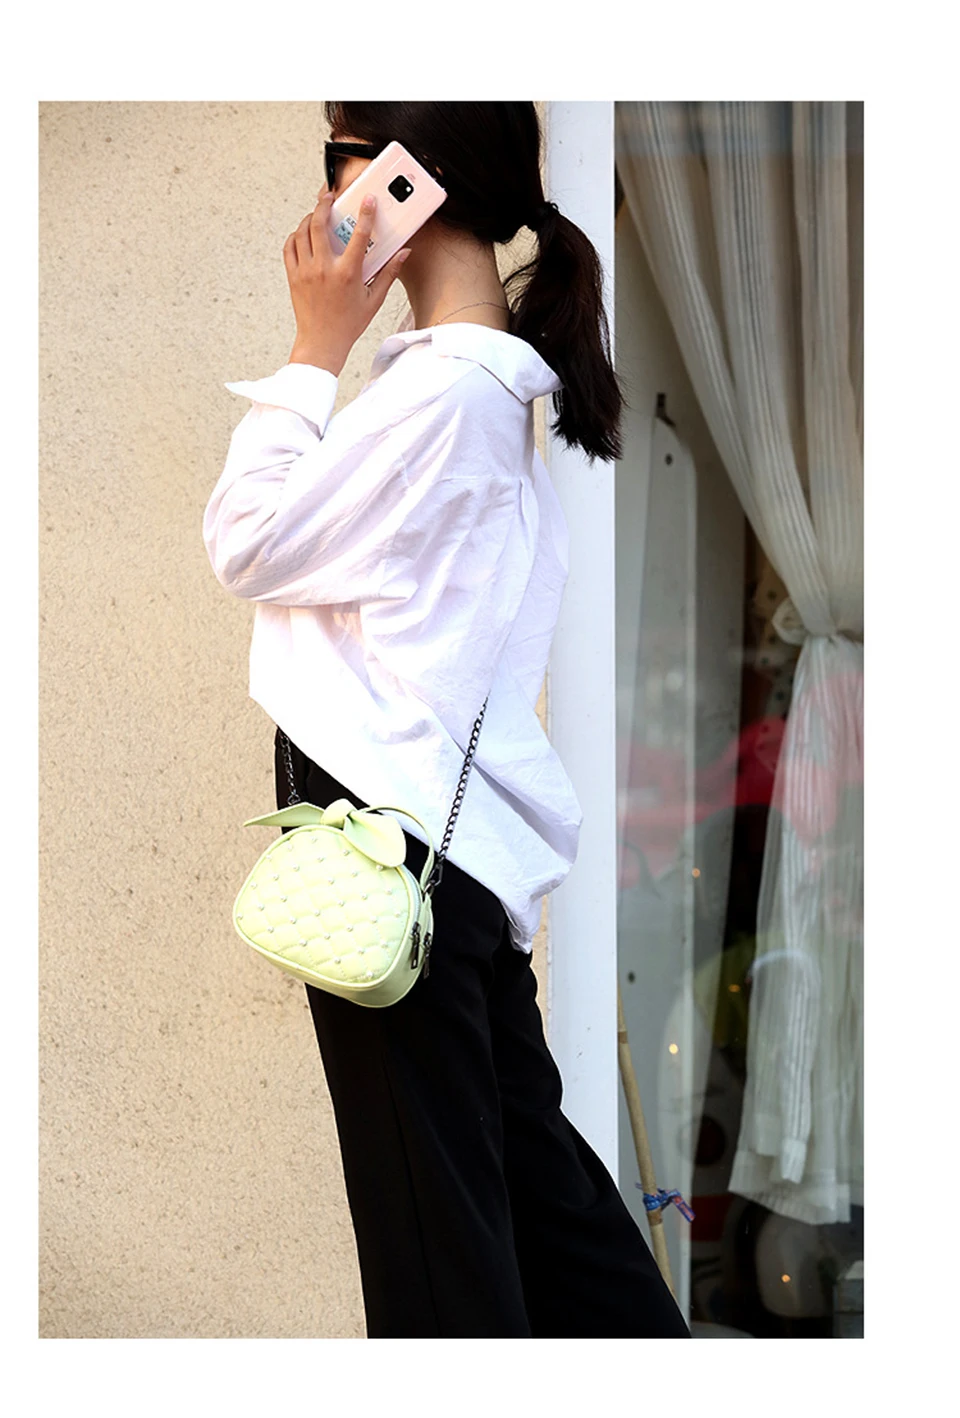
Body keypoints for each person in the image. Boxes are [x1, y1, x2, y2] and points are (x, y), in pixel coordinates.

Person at [203, 101, 691, 1339]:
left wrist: (313, 347)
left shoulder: (444, 399)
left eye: (340, 160)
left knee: (440, 1263)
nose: (328, 195)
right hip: (442, 862)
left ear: (408, 185)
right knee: (542, 1217)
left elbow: (247, 543)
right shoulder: (469, 391)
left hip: (394, 855)